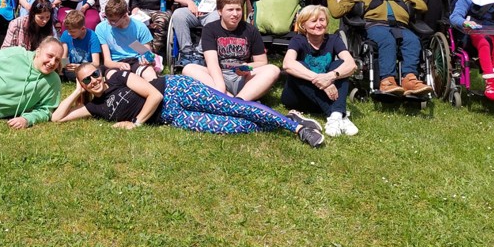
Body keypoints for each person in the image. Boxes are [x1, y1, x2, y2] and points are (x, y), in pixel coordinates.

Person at [52, 63, 324, 147]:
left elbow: (153, 95)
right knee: (230, 126)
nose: (94, 80)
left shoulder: (115, 76)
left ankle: (298, 128)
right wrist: (75, 92)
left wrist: (136, 123)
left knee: (232, 106)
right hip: (170, 116)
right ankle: (282, 119)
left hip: (175, 90)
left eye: (94, 74)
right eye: (87, 80)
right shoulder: (96, 108)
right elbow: (57, 119)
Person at [325, 0, 432, 98]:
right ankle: (387, 80)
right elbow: (336, 12)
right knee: (387, 40)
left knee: (413, 40)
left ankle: (410, 79)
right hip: (375, 25)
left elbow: (423, 7)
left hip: (400, 26)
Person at [181, 0, 280, 99]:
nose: (235, 14)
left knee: (273, 69)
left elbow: (262, 62)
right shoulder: (210, 29)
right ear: (219, 11)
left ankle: (239, 100)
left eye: (238, 9)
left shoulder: (251, 30)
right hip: (218, 76)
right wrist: (220, 87)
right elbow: (212, 63)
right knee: (189, 69)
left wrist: (248, 67)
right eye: (230, 10)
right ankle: (229, 98)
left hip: (243, 77)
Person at [281, 5, 359, 137]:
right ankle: (339, 114)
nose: (318, 24)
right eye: (313, 21)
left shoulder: (334, 39)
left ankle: (336, 115)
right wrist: (321, 81)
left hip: (322, 98)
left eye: (322, 20)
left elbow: (351, 65)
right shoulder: (297, 40)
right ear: (303, 25)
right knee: (298, 66)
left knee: (340, 65)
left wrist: (331, 76)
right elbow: (287, 64)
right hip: (298, 98)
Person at [94, 0, 158, 79]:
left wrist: (146, 59)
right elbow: (107, 61)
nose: (109, 23)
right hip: (115, 63)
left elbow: (146, 54)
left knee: (149, 74)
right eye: (106, 18)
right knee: (112, 76)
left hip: (135, 60)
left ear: (125, 16)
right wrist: (119, 65)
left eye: (113, 21)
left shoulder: (139, 27)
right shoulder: (101, 28)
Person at [60, 9, 101, 80]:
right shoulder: (66, 34)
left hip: (87, 66)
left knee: (95, 70)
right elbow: (64, 56)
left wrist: (79, 66)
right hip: (72, 67)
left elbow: (96, 63)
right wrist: (64, 66)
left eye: (73, 32)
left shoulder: (92, 37)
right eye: (68, 31)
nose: (69, 34)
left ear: (82, 28)